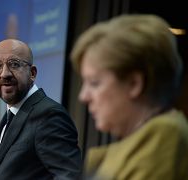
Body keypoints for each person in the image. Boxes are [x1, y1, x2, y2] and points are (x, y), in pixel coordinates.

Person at [70, 14, 188, 180]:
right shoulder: (141, 142)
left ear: (134, 84)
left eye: (95, 83)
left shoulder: (165, 137)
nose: (83, 97)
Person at [0, 39, 82, 180]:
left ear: (32, 73)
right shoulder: (9, 117)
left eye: (14, 64)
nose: (5, 73)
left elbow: (69, 176)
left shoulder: (49, 115)